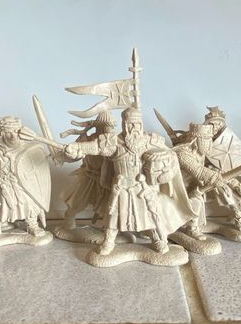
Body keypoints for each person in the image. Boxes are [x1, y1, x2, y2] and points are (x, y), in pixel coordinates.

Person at [64, 107, 193, 256]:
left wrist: (166, 170)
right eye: (131, 124)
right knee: (114, 216)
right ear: (124, 124)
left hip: (143, 187)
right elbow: (95, 147)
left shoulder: (150, 141)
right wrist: (77, 147)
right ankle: (108, 242)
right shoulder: (113, 142)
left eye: (137, 124)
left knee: (151, 215)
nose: (134, 128)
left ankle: (158, 240)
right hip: (121, 188)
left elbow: (169, 155)